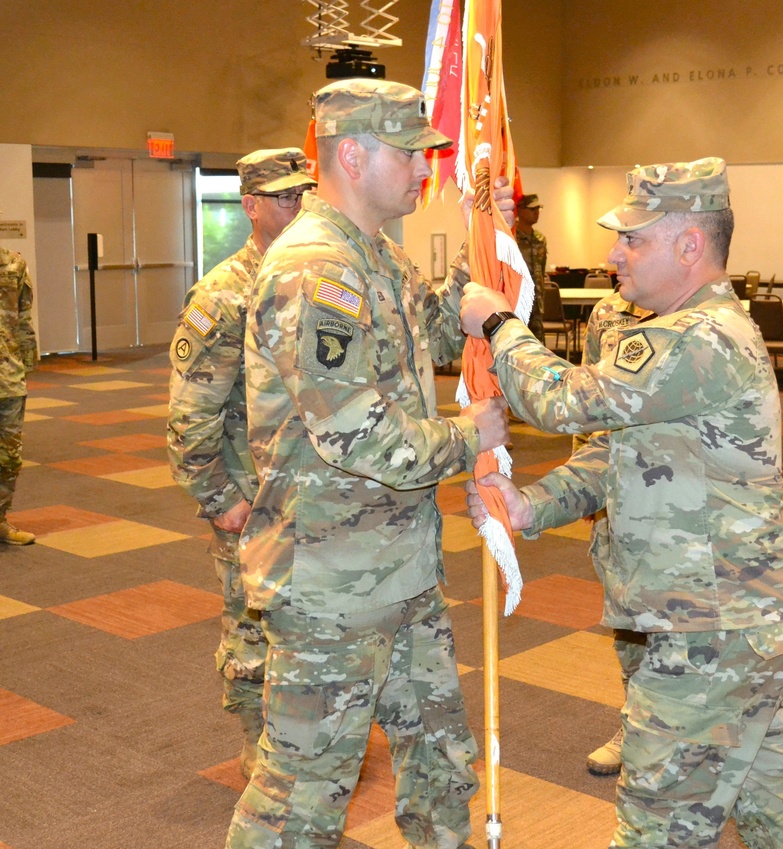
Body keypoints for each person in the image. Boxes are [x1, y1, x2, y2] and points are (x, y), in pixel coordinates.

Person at [461, 159, 783, 848]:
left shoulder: (699, 338)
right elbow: (616, 453)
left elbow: (562, 400)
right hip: (740, 613)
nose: (613, 254)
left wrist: (498, 326)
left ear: (690, 246)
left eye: (633, 239)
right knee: (769, 799)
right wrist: (530, 504)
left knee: (657, 818)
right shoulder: (678, 333)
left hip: (716, 626)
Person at [225, 78, 512, 849]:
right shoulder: (314, 270)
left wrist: (495, 256)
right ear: (351, 154)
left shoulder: (377, 256)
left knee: (443, 769)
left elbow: (433, 347)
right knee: (299, 800)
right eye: (411, 154)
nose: (426, 170)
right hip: (331, 585)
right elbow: (361, 436)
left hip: (402, 573)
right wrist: (469, 436)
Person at [168, 148, 316, 779]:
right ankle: (261, 763)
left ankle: (303, 749)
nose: (297, 206)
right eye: (282, 197)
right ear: (250, 206)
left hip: (311, 494)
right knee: (255, 633)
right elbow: (188, 416)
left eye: (302, 194)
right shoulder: (225, 293)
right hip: (251, 501)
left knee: (311, 627)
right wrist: (220, 499)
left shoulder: (313, 279)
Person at [575, 292, 650, 776]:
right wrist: (586, 484)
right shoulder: (608, 311)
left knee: (685, 636)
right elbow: (588, 403)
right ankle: (638, 727)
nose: (616, 254)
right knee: (629, 626)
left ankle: (671, 735)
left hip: (676, 509)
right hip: (614, 497)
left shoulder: (697, 314)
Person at [0, 243, 39, 545]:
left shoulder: (13, 265)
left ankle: (0, 520)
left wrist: (27, 364)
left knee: (9, 457)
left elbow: (24, 317)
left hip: (8, 378)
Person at [514, 193, 547, 341]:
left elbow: (542, 269)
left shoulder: (540, 239)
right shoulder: (511, 237)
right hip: (518, 300)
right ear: (520, 211)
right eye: (532, 209)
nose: (536, 213)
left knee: (538, 343)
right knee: (519, 341)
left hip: (537, 300)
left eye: (538, 209)